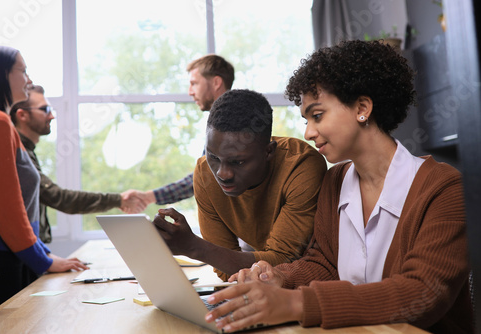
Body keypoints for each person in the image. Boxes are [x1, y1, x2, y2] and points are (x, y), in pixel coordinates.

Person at [203, 40, 473, 333]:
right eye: (306, 119)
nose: (308, 132)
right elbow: (325, 264)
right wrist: (279, 277)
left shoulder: (444, 188)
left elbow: (422, 293)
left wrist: (295, 304)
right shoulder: (336, 181)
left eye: (317, 115)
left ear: (362, 108)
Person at [153, 89, 327, 281]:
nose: (222, 173)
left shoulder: (300, 167)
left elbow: (282, 261)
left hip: (306, 286)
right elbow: (225, 270)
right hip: (257, 289)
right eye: (214, 157)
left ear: (268, 152)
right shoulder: (205, 174)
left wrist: (194, 246)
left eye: (238, 162)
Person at [0, 46, 88, 311]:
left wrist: (44, 253)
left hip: (3, 249)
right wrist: (43, 260)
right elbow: (6, 206)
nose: (29, 79)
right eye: (23, 70)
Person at [10, 85, 148, 243]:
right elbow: (59, 198)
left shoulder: (26, 151)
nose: (52, 116)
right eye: (45, 109)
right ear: (22, 115)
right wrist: (118, 200)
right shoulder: (17, 153)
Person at [138, 54, 234, 206]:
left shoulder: (228, 122)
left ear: (216, 82)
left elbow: (204, 177)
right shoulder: (223, 119)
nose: (190, 91)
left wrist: (151, 196)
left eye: (194, 83)